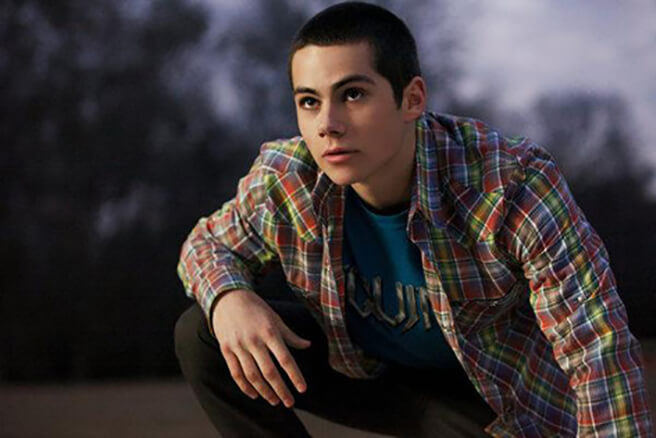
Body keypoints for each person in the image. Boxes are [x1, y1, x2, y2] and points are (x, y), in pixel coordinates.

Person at [174, 2, 653, 437]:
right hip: (368, 374)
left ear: (412, 99)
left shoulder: (509, 185)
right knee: (203, 333)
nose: (328, 125)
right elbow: (206, 245)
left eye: (353, 95)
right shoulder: (288, 179)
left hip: (491, 404)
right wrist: (230, 297)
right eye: (309, 102)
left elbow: (595, 343)